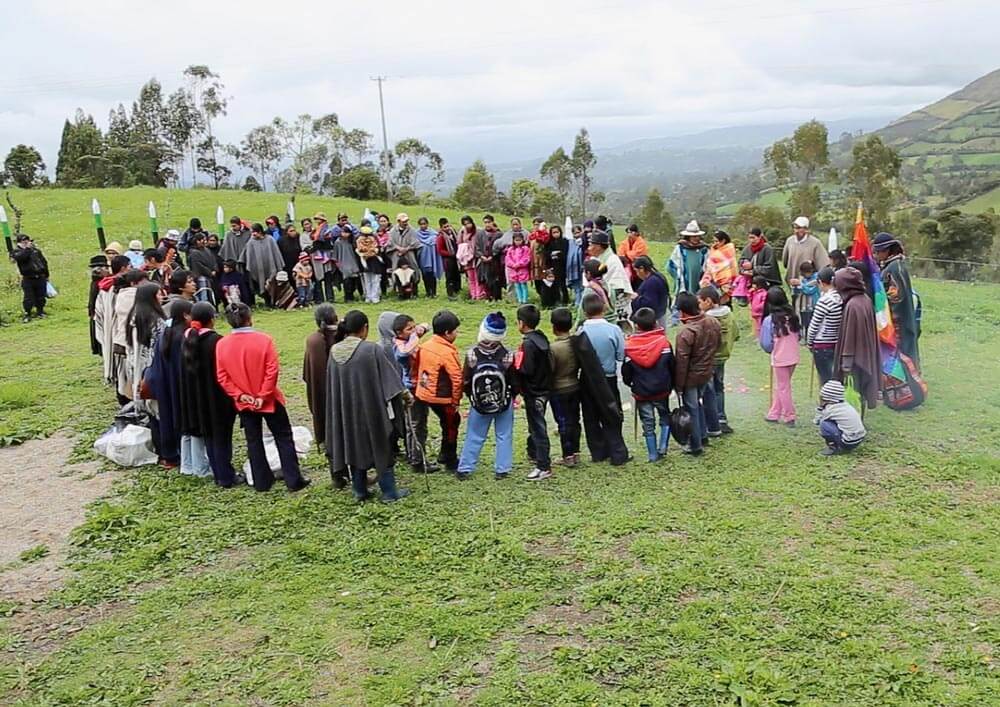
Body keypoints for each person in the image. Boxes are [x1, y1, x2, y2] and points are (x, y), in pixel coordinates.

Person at [215, 303, 310, 492]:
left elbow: (222, 376)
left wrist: (241, 395)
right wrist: (263, 395)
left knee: (253, 440)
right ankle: (293, 479)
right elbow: (272, 370)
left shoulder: (222, 344)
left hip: (244, 402)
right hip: (269, 399)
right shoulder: (264, 340)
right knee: (283, 436)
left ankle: (262, 481)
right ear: (250, 318)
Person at [325, 310, 410, 501]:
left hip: (346, 413)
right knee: (381, 445)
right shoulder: (371, 349)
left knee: (354, 446)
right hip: (372, 411)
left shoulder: (334, 351)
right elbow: (391, 382)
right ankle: (389, 492)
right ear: (364, 328)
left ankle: (359, 490)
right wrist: (406, 396)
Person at [181, 302, 238, 486]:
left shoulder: (189, 339)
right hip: (218, 397)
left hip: (197, 398)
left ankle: (218, 471)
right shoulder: (217, 341)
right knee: (222, 437)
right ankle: (226, 476)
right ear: (212, 319)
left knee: (210, 437)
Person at [457, 312, 516, 479]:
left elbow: (466, 380)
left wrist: (472, 397)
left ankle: (465, 468)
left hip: (479, 403)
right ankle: (502, 469)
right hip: (504, 401)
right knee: (504, 434)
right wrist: (513, 396)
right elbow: (514, 381)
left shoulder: (471, 354)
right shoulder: (508, 355)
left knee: (474, 435)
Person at [576, 295, 630, 466]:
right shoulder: (614, 330)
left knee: (590, 416)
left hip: (587, 379)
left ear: (585, 312)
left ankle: (598, 452)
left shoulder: (580, 331)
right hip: (608, 378)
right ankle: (617, 452)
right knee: (612, 414)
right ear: (604, 309)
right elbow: (621, 354)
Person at [413, 310, 463, 473]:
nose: (457, 333)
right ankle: (450, 458)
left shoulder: (424, 345)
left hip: (424, 393)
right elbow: (457, 379)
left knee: (442, 423)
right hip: (442, 397)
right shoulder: (447, 352)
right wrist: (456, 401)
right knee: (452, 424)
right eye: (456, 330)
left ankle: (442, 454)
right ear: (447, 333)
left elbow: (416, 367)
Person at [622, 307, 674, 461]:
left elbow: (626, 373)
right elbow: (672, 366)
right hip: (662, 390)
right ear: (655, 323)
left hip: (641, 392)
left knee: (647, 422)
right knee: (665, 416)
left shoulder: (629, 347)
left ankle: (652, 455)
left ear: (637, 326)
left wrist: (630, 384)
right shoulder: (664, 344)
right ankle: (663, 447)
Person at [673, 292, 721, 455]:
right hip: (707, 372)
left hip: (691, 377)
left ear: (682, 311)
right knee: (698, 404)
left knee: (691, 408)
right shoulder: (713, 322)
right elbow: (718, 345)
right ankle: (703, 434)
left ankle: (695, 444)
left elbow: (681, 363)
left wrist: (679, 386)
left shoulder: (686, 332)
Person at [145, 297, 188, 469]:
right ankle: (179, 454)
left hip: (163, 384)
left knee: (166, 420)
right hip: (177, 384)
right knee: (178, 419)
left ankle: (170, 456)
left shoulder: (167, 333)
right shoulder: (182, 337)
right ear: (185, 316)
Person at [514, 305, 553, 481]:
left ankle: (543, 466)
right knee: (536, 426)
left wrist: (516, 364)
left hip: (533, 392)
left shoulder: (527, 344)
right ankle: (534, 453)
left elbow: (526, 370)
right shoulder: (541, 338)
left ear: (521, 323)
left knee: (538, 429)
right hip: (544, 390)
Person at [834, 267, 880, 410]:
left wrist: (846, 364)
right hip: (865, 355)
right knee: (859, 392)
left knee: (853, 392)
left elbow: (850, 337)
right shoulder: (865, 300)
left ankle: (854, 424)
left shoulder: (853, 305)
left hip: (855, 360)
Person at [872, 232, 920, 368]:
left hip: (897, 320)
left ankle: (906, 382)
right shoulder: (891, 266)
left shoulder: (895, 267)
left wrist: (879, 304)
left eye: (878, 252)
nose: (876, 255)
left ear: (886, 250)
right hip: (893, 319)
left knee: (901, 352)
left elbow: (897, 296)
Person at [698, 286, 738, 434]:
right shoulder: (729, 315)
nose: (699, 305)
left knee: (709, 390)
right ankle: (721, 419)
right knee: (719, 388)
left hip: (709, 359)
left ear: (708, 301)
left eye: (700, 302)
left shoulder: (707, 319)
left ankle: (712, 423)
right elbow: (736, 333)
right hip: (723, 357)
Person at [760, 287, 801, 427]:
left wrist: (771, 349)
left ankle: (789, 416)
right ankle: (774, 413)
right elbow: (799, 335)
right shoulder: (793, 316)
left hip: (780, 357)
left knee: (783, 387)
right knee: (783, 385)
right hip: (793, 356)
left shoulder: (769, 320)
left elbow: (766, 343)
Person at [302, 304, 339, 452]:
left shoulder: (313, 340)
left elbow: (308, 373)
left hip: (321, 395)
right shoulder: (344, 336)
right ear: (335, 318)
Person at [549, 307, 582, 467]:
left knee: (563, 423)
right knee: (575, 420)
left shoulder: (554, 348)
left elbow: (550, 369)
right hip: (575, 386)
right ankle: (576, 452)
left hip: (559, 389)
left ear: (554, 327)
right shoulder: (576, 342)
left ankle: (567, 455)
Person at [112, 269, 148, 405]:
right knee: (129, 375)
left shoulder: (122, 294)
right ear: (133, 283)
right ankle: (128, 402)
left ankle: (127, 400)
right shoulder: (131, 296)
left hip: (121, 340)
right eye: (143, 282)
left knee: (125, 375)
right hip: (127, 341)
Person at [784, 216, 830, 315]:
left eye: (800, 228)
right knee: (795, 311)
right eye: (795, 227)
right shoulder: (790, 241)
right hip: (794, 286)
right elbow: (785, 261)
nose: (797, 230)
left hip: (810, 289)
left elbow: (823, 266)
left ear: (806, 229)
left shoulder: (815, 243)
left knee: (808, 314)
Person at [588, 231, 634, 326]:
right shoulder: (594, 259)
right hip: (600, 299)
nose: (589, 247)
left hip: (616, 302)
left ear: (598, 246)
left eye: (591, 244)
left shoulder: (613, 260)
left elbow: (617, 286)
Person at [806, 266, 842, 386]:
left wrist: (809, 342)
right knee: (835, 377)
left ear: (821, 282)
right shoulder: (841, 297)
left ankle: (827, 403)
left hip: (822, 344)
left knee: (825, 379)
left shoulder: (824, 301)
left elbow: (814, 325)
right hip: (836, 343)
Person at [816, 380, 866, 456]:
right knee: (834, 421)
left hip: (848, 442)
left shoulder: (831, 409)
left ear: (827, 398)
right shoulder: (845, 405)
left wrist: (820, 407)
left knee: (824, 424)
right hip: (859, 438)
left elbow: (817, 421)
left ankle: (833, 447)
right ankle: (843, 444)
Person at [667, 221, 709, 303]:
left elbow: (708, 265)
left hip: (699, 280)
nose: (696, 238)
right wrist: (679, 276)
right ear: (688, 237)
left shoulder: (704, 249)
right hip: (685, 281)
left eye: (697, 236)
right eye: (693, 237)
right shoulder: (680, 249)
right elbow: (671, 265)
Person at [10, 233, 49, 322]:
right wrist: (27, 249)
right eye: (24, 241)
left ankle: (40, 311)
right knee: (28, 297)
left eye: (27, 240)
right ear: (19, 242)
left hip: (40, 277)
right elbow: (21, 258)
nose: (26, 242)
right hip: (28, 278)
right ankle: (27, 314)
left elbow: (43, 262)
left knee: (41, 296)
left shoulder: (35, 251)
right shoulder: (16, 252)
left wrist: (46, 275)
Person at [244, 223, 284, 307]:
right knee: (262, 286)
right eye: (252, 232)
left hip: (271, 267)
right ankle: (267, 302)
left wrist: (278, 266)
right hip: (259, 270)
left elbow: (276, 253)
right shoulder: (251, 242)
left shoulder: (270, 240)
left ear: (260, 231)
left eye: (255, 232)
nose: (253, 234)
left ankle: (274, 302)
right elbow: (249, 257)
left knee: (272, 284)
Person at [630, 256, 670, 330]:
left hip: (655, 318)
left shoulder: (652, 282)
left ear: (642, 269)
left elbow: (649, 303)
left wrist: (636, 298)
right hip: (660, 314)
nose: (637, 274)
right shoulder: (657, 277)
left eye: (636, 271)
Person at [387, 213, 422, 295]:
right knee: (397, 272)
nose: (405, 223)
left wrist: (406, 249)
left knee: (413, 271)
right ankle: (400, 292)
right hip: (397, 254)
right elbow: (390, 243)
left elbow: (416, 243)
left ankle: (414, 291)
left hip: (409, 254)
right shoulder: (392, 231)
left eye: (406, 221)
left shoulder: (412, 230)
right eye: (403, 221)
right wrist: (398, 248)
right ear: (398, 221)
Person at [700, 230, 739, 303]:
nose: (715, 243)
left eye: (716, 241)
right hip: (714, 279)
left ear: (723, 241)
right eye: (714, 241)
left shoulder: (729, 250)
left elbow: (729, 265)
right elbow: (711, 265)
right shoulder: (714, 250)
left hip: (727, 280)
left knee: (725, 303)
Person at [310, 212, 338, 303]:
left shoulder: (325, 228)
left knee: (327, 277)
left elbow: (322, 238)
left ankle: (330, 297)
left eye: (318, 219)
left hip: (326, 253)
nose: (317, 221)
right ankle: (320, 298)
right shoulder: (317, 229)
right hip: (318, 254)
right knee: (319, 277)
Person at [476, 215, 504, 302]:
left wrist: (493, 256)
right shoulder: (480, 234)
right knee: (484, 279)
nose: (487, 224)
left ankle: (496, 298)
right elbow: (477, 247)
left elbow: (500, 248)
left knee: (495, 280)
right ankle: (488, 297)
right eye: (485, 222)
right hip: (483, 261)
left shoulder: (499, 234)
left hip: (495, 261)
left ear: (492, 222)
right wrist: (481, 256)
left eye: (489, 222)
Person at [186, 232, 217, 304]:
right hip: (200, 277)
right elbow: (199, 266)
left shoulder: (207, 250)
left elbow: (213, 260)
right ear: (197, 241)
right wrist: (210, 272)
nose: (205, 242)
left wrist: (215, 269)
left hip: (209, 276)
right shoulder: (194, 253)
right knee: (203, 295)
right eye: (203, 240)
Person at [332, 226, 361, 302]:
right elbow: (335, 255)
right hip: (344, 263)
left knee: (354, 281)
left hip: (354, 263)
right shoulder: (338, 242)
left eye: (346, 232)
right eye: (343, 232)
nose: (344, 234)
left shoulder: (353, 241)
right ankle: (348, 298)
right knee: (347, 282)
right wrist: (338, 264)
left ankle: (355, 295)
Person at [416, 216, 443, 298]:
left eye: (424, 224)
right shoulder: (416, 234)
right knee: (425, 276)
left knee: (432, 276)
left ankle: (433, 292)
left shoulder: (433, 234)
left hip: (432, 259)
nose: (423, 226)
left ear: (427, 224)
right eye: (421, 224)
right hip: (422, 259)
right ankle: (428, 292)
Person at [458, 216, 483, 299]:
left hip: (476, 257)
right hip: (467, 258)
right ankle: (473, 295)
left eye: (469, 223)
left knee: (477, 277)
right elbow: (459, 243)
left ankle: (479, 295)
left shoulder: (478, 231)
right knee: (470, 278)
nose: (468, 226)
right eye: (465, 224)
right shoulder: (462, 232)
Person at [436, 217, 461, 299]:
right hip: (448, 259)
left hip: (455, 258)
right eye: (445, 227)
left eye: (448, 226)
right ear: (441, 228)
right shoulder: (441, 237)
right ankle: (450, 293)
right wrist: (451, 254)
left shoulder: (453, 233)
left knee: (457, 274)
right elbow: (440, 250)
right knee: (449, 276)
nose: (447, 228)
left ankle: (457, 290)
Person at [88, 254, 109, 355]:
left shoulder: (106, 281)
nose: (97, 271)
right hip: (95, 311)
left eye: (100, 267)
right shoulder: (94, 282)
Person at [545, 224, 570, 306]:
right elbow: (546, 254)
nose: (556, 234)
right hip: (553, 266)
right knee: (554, 284)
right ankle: (556, 300)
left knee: (563, 284)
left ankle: (565, 300)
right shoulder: (549, 243)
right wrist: (551, 254)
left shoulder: (564, 241)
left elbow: (566, 253)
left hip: (562, 266)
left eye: (557, 232)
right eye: (553, 232)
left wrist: (559, 254)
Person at [505, 230, 532, 304]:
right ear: (513, 240)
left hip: (522, 270)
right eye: (516, 240)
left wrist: (519, 264)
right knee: (517, 285)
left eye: (519, 240)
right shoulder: (511, 249)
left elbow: (527, 258)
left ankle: (525, 300)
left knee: (523, 285)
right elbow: (507, 258)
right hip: (514, 270)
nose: (518, 242)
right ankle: (520, 300)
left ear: (523, 240)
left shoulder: (525, 248)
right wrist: (512, 264)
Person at [794, 261, 820, 335]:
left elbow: (810, 291)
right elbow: (797, 292)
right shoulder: (802, 279)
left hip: (813, 304)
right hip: (803, 305)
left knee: (812, 322)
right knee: (804, 321)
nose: (805, 275)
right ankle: (804, 335)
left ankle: (812, 336)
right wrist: (795, 286)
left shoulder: (816, 278)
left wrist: (801, 285)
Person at [528, 219, 550, 299]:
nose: (536, 226)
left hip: (543, 262)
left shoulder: (546, 235)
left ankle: (546, 297)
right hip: (534, 262)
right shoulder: (532, 236)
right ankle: (540, 295)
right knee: (536, 280)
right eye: (534, 224)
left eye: (538, 224)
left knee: (544, 280)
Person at [566, 225, 585, 307]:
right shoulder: (570, 243)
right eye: (574, 233)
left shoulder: (584, 242)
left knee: (582, 287)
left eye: (578, 232)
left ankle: (582, 304)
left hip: (582, 268)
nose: (576, 235)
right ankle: (577, 304)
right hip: (573, 269)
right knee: (577, 288)